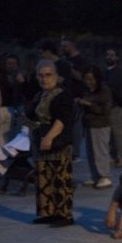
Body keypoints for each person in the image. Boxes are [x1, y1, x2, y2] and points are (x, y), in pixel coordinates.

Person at [26, 59, 75, 227]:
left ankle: (64, 215)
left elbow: (62, 119)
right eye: (40, 75)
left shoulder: (62, 94)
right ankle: (48, 212)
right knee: (43, 177)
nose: (44, 79)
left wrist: (49, 137)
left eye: (48, 75)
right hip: (40, 141)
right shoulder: (39, 95)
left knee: (60, 178)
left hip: (57, 141)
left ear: (56, 76)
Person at [77, 65, 113, 189]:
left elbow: (105, 110)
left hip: (100, 125)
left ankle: (104, 176)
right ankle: (96, 176)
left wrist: (89, 104)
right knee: (91, 152)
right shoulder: (86, 90)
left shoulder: (104, 90)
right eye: (86, 79)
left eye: (91, 79)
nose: (88, 82)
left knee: (100, 151)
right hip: (89, 124)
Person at [103, 48, 122, 168]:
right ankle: (113, 156)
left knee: (117, 132)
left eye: (112, 55)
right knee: (108, 134)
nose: (109, 57)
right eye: (107, 54)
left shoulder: (119, 72)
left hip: (115, 106)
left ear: (117, 58)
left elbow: (116, 89)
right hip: (106, 106)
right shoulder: (105, 72)